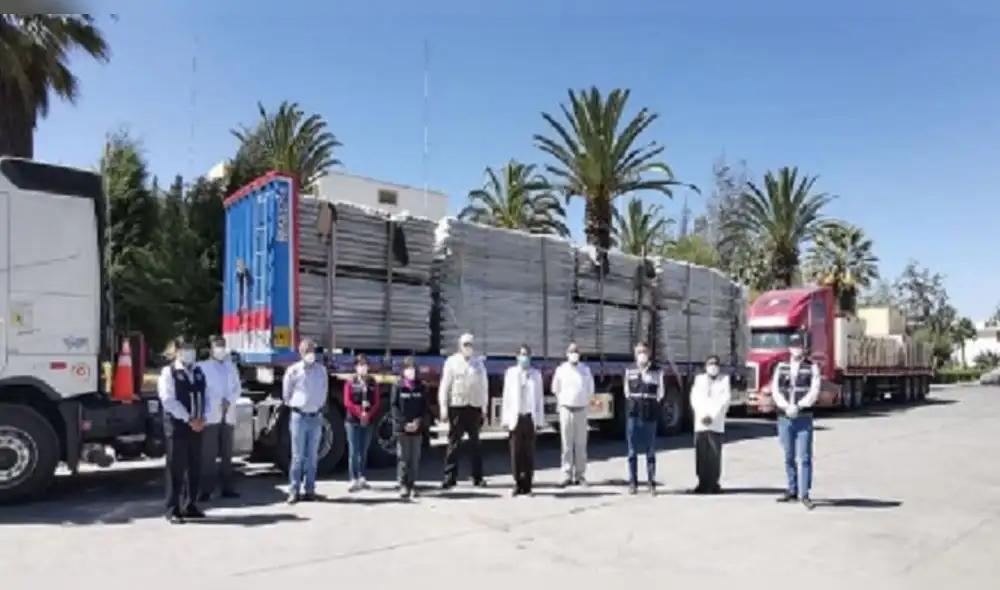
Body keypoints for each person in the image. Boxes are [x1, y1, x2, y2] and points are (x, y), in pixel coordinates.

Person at [157, 337, 209, 523]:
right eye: (185, 349)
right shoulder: (169, 372)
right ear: (177, 351)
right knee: (176, 467)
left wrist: (204, 417)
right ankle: (173, 508)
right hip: (178, 426)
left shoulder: (198, 371)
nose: (189, 352)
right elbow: (168, 400)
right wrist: (189, 419)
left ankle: (191, 504)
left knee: (195, 466)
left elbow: (206, 396)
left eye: (191, 349)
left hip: (197, 425)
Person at [770, 333, 821, 510]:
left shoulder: (812, 367)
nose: (797, 349)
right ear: (789, 348)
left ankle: (805, 493)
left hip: (803, 417)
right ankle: (792, 489)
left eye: (800, 346)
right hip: (785, 417)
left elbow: (814, 391)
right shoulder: (781, 366)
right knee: (788, 455)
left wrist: (799, 406)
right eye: (794, 346)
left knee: (805, 457)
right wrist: (785, 406)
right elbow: (775, 389)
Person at [438, 333, 489, 489]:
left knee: (476, 445)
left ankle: (478, 477)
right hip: (457, 407)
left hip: (474, 407)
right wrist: (443, 407)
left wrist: (484, 408)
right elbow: (444, 386)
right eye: (465, 344)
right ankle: (450, 477)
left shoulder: (478, 364)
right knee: (454, 444)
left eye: (471, 345)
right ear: (460, 346)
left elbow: (484, 387)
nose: (468, 347)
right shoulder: (452, 362)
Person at [282, 338, 329, 503]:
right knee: (297, 456)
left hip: (315, 417)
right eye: (307, 350)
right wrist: (298, 405)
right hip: (299, 417)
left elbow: (324, 391)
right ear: (300, 352)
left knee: (312, 456)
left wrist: (318, 405)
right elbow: (286, 395)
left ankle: (310, 490)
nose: (310, 353)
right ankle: (294, 490)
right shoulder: (293, 371)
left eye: (312, 350)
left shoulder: (321, 370)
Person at [197, 335, 242, 502]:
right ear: (211, 349)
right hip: (211, 414)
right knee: (208, 454)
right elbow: (203, 391)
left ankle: (227, 488)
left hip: (228, 414)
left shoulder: (231, 367)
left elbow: (237, 388)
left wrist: (229, 401)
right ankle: (206, 490)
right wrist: (218, 402)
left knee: (227, 454)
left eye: (223, 345)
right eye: (217, 346)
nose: (220, 349)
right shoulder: (203, 367)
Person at [501, 345, 545, 496]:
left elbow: (539, 399)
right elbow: (506, 397)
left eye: (526, 354)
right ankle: (517, 483)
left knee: (529, 453)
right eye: (521, 354)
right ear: (517, 357)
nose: (524, 357)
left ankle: (528, 484)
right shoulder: (511, 373)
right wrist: (505, 419)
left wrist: (539, 421)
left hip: (529, 417)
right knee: (516, 452)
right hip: (516, 417)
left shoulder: (536, 375)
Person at [551, 341, 594, 487]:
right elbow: (555, 389)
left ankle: (580, 475)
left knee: (581, 444)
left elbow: (590, 389)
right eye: (571, 351)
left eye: (576, 351)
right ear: (567, 354)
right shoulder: (561, 370)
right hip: (566, 409)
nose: (574, 353)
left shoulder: (585, 370)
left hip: (581, 409)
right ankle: (567, 474)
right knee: (567, 445)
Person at [624, 342, 664, 496]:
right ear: (635, 354)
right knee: (632, 451)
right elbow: (626, 392)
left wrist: (649, 403)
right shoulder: (629, 370)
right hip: (633, 414)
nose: (642, 354)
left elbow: (660, 393)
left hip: (650, 414)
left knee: (650, 451)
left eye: (644, 352)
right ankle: (633, 483)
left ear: (649, 354)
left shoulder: (657, 372)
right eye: (639, 352)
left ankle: (651, 483)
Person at [689, 354, 732, 494]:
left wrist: (712, 416)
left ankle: (713, 483)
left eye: (715, 364)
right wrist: (702, 415)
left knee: (714, 454)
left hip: (716, 422)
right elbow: (695, 399)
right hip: (701, 422)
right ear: (705, 366)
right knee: (701, 454)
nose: (713, 366)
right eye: (710, 364)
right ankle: (702, 482)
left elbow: (724, 401)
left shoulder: (724, 380)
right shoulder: (699, 380)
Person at [391, 357, 429, 499]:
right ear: (403, 370)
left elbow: (424, 408)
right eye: (408, 369)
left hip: (416, 428)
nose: (410, 372)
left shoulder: (421, 387)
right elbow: (394, 407)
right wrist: (403, 423)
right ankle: (402, 485)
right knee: (403, 457)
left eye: (413, 369)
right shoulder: (398, 386)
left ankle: (412, 485)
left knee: (414, 458)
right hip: (402, 428)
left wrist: (417, 422)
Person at [344, 353, 381, 492]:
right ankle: (353, 478)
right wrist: (360, 413)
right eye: (360, 365)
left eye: (365, 365)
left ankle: (361, 476)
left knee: (363, 450)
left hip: (368, 420)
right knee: (354, 450)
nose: (363, 368)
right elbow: (347, 402)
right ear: (355, 367)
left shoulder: (372, 382)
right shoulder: (350, 382)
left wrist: (368, 414)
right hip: (353, 421)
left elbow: (376, 402)